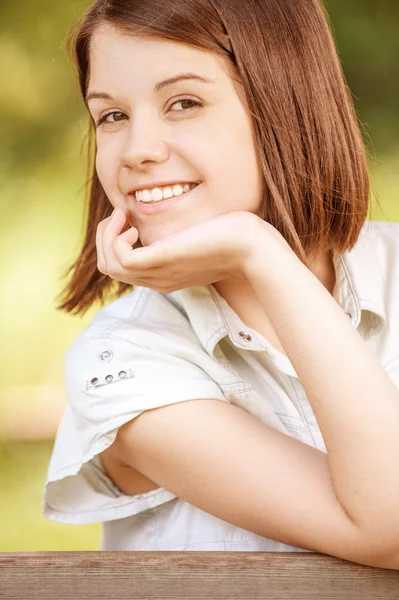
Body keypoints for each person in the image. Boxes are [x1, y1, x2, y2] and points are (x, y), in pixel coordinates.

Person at [42, 0, 399, 568]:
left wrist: (260, 254)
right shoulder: (124, 359)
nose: (137, 152)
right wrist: (260, 252)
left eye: (184, 103)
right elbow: (392, 525)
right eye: (111, 116)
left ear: (286, 106)